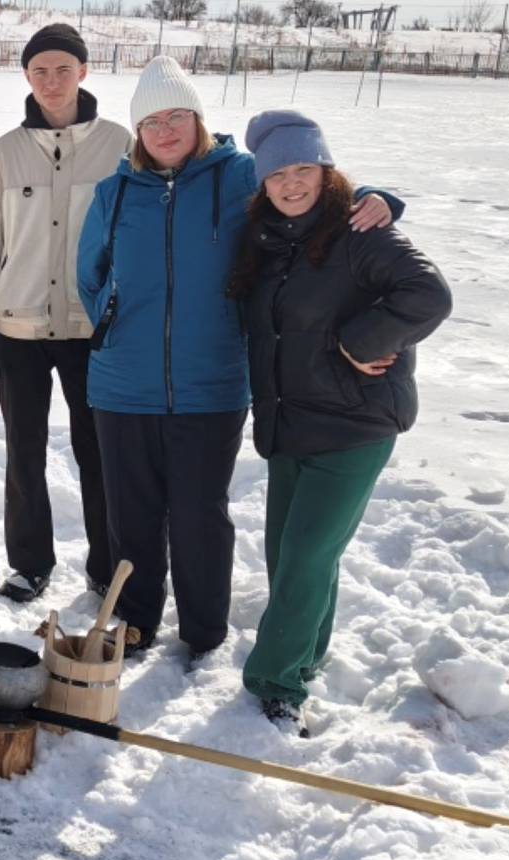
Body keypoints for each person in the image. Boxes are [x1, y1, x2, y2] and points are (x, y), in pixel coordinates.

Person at [76, 56, 401, 665]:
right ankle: (137, 622)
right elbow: (88, 273)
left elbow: (310, 197)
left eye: (177, 116)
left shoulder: (243, 177)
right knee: (132, 515)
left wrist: (378, 199)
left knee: (201, 513)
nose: (165, 130)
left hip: (212, 383)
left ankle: (203, 630)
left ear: (198, 120)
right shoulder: (114, 192)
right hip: (121, 384)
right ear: (138, 133)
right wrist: (116, 322)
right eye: (151, 122)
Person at [227, 111, 451, 735]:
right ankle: (307, 657)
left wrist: (363, 340)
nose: (292, 183)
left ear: (327, 173)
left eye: (304, 169)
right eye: (278, 173)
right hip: (289, 421)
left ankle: (275, 685)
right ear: (263, 182)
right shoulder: (267, 240)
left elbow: (428, 294)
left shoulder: (361, 231)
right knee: (292, 556)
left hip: (354, 426)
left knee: (303, 556)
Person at [0, 23, 131, 604]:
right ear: (26, 77)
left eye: (63, 69)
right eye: (40, 71)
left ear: (83, 72)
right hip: (18, 329)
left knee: (98, 450)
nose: (52, 81)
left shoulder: (120, 147)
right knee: (24, 451)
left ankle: (106, 564)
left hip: (93, 331)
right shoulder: (4, 155)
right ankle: (29, 563)